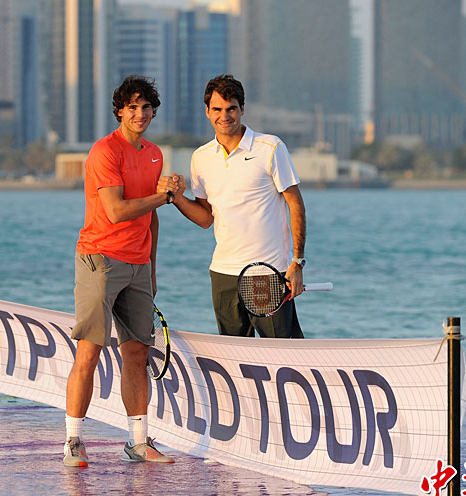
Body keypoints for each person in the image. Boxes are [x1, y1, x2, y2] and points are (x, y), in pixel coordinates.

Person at [63, 75, 183, 467]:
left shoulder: (154, 154)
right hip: (99, 259)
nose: (140, 114)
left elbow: (152, 216)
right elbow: (115, 211)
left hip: (138, 265)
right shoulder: (104, 152)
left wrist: (152, 266)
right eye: (132, 107)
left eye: (147, 108)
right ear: (119, 111)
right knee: (89, 353)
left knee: (137, 355)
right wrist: (163, 196)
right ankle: (73, 441)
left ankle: (138, 442)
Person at [171, 74, 307, 339]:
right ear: (207, 112)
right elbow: (205, 218)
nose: (225, 116)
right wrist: (177, 198)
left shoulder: (271, 147)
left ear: (242, 109)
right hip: (223, 275)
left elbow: (296, 204)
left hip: (266, 273)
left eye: (231, 108)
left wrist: (297, 263)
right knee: (234, 360)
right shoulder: (200, 157)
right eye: (218, 109)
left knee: (284, 357)